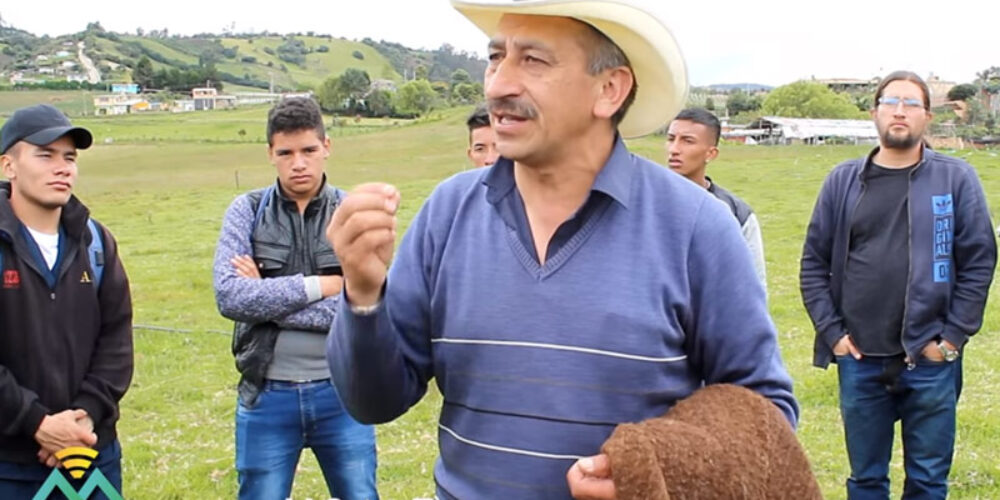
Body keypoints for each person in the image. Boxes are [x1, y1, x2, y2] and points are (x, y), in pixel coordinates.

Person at [326, 1, 797, 499]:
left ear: (609, 90)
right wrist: (362, 294)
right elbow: (373, 404)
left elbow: (764, 413)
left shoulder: (697, 226)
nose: (497, 85)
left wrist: (653, 472)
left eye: (533, 60)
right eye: (495, 57)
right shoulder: (448, 211)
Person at [800, 71, 997, 499]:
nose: (900, 111)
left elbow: (980, 261)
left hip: (929, 360)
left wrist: (951, 338)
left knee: (927, 481)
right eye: (891, 101)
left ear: (927, 116)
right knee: (866, 479)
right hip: (860, 359)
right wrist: (833, 335)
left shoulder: (954, 179)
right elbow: (813, 263)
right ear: (874, 113)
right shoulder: (842, 180)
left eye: (911, 103)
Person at [212, 97, 377, 500]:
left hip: (343, 393)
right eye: (285, 153)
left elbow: (368, 304)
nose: (298, 163)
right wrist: (322, 284)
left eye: (308, 150)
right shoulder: (246, 211)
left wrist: (267, 301)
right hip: (266, 394)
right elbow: (230, 296)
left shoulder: (353, 212)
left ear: (327, 147)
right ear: (270, 154)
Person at [0, 104, 133, 496]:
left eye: (69, 157)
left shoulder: (96, 242)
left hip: (92, 453)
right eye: (45, 155)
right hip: (11, 465)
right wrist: (38, 423)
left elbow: (117, 339)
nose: (63, 168)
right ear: (9, 165)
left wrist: (86, 417)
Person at [666, 107, 767, 289]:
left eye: (687, 141)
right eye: (671, 139)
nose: (674, 149)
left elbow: (754, 285)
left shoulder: (736, 213)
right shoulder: (643, 204)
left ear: (710, 153)